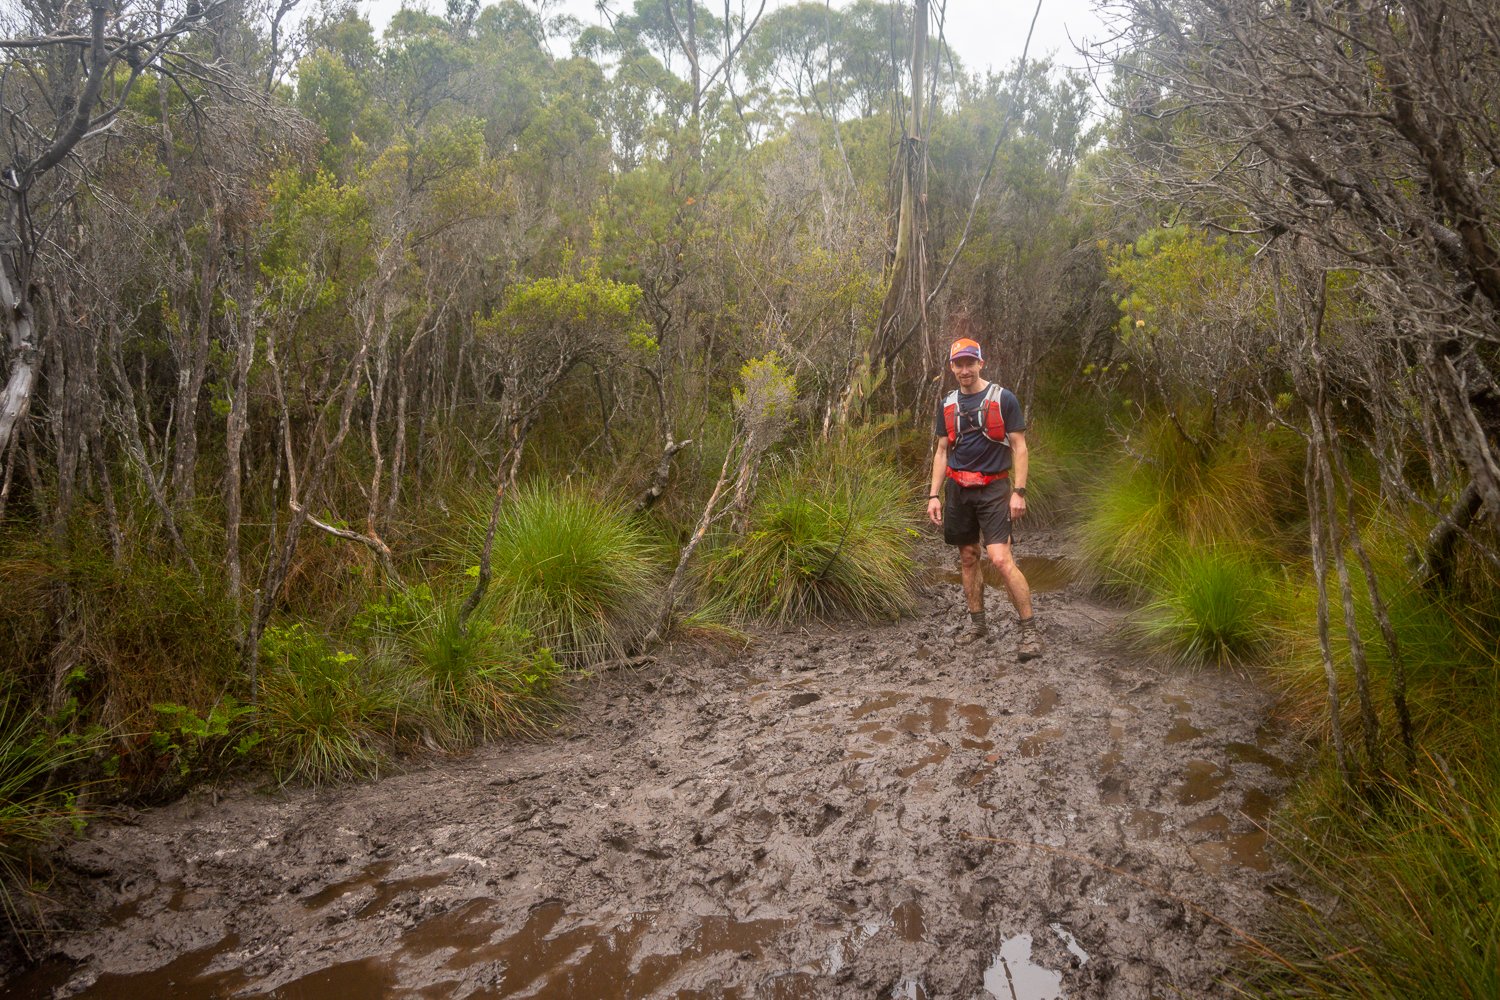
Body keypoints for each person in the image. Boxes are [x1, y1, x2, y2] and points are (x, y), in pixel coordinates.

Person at [926, 336, 1042, 662]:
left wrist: (1019, 491)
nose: (964, 369)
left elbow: (1019, 447)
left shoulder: (1003, 399)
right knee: (967, 556)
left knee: (1001, 559)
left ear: (981, 363)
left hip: (994, 489)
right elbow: (941, 450)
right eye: (958, 363)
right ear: (951, 367)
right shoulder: (947, 404)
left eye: (969, 362)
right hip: (958, 490)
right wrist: (934, 494)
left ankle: (1029, 630)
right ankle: (978, 625)